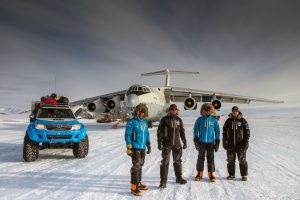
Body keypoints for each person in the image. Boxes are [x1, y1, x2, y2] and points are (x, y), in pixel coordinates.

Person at [157, 104, 187, 188]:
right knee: (165, 162)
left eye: (175, 109)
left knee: (177, 161)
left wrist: (184, 141)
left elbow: (182, 132)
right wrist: (159, 142)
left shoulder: (179, 120)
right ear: (169, 110)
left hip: (177, 144)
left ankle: (179, 178)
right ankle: (163, 181)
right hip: (167, 144)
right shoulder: (164, 119)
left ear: (177, 110)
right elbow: (160, 132)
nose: (174, 110)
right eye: (172, 109)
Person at [125, 103, 151, 196]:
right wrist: (129, 147)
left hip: (143, 147)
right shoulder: (132, 121)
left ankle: (138, 183)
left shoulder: (145, 122)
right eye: (139, 111)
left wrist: (148, 144)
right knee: (136, 166)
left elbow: (147, 134)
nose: (141, 113)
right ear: (136, 111)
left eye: (143, 112)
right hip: (135, 147)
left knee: (140, 165)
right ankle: (133, 187)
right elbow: (127, 135)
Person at [193, 103, 220, 182]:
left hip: (210, 142)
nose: (207, 112)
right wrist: (196, 139)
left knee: (210, 158)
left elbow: (217, 131)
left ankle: (211, 173)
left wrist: (217, 140)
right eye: (206, 110)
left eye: (209, 110)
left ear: (211, 111)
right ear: (204, 111)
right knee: (201, 158)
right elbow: (196, 129)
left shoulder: (213, 120)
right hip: (201, 142)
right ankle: (199, 173)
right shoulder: (200, 119)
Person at [223, 106, 250, 181]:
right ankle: (231, 175)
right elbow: (224, 131)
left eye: (236, 111)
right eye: (233, 111)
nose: (235, 112)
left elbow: (247, 132)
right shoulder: (228, 121)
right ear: (232, 112)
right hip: (230, 144)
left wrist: (245, 142)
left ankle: (244, 175)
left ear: (238, 112)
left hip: (240, 144)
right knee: (230, 160)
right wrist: (224, 141)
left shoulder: (243, 121)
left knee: (242, 160)